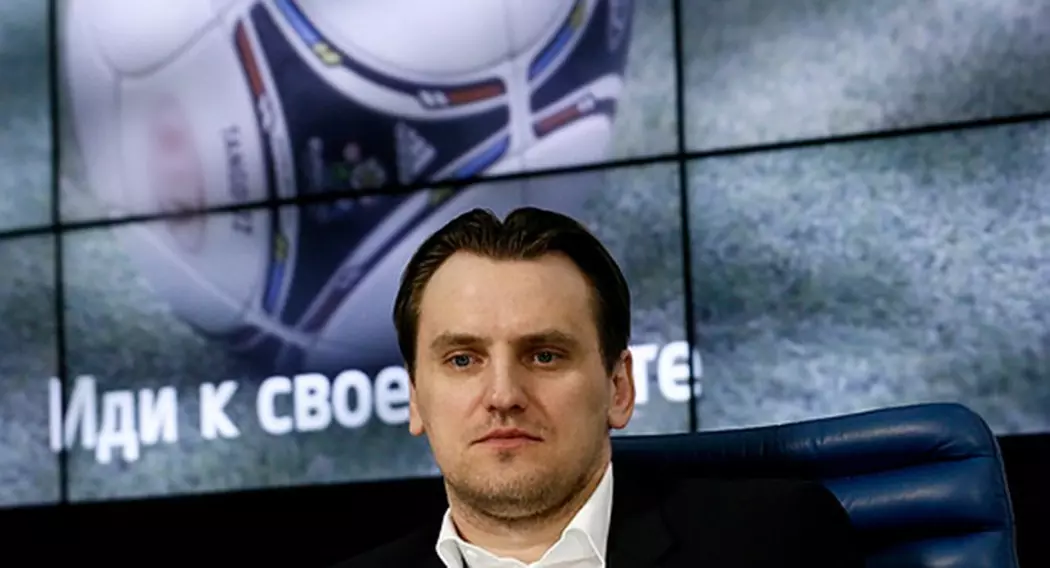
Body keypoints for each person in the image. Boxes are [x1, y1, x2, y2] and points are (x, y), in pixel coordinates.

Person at [334, 207, 863, 568]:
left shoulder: (771, 543)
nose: (503, 395)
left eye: (544, 355)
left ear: (618, 388)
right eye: (463, 360)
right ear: (415, 398)